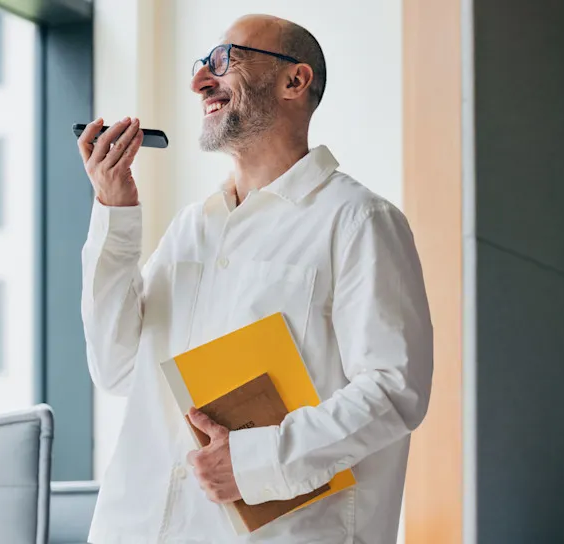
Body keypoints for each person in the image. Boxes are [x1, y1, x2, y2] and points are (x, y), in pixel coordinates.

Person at [75, 13, 433, 543]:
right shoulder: (188, 231)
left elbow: (394, 389)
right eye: (200, 65)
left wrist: (257, 462)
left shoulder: (358, 221)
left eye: (224, 61)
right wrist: (115, 212)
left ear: (295, 80)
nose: (199, 81)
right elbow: (115, 367)